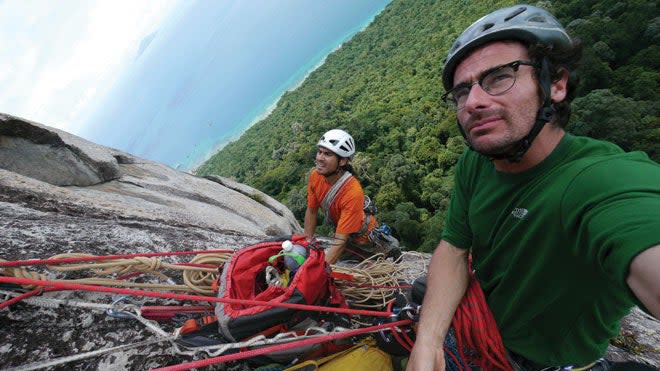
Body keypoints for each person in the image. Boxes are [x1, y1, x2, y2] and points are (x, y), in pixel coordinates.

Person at [407, 4, 660, 371]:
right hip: (480, 328)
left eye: (499, 77)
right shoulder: (476, 163)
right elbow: (454, 247)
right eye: (462, 92)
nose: (474, 102)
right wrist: (427, 343)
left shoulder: (601, 181)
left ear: (555, 83)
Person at [304, 129, 400, 264]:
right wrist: (305, 245)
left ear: (342, 161)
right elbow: (312, 211)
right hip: (343, 233)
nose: (319, 158)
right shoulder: (315, 176)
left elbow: (340, 241)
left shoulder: (352, 192)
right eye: (319, 152)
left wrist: (318, 271)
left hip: (364, 241)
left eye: (327, 154)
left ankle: (388, 247)